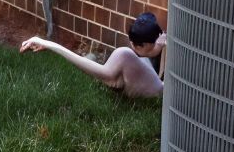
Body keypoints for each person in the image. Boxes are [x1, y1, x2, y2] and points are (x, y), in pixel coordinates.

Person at [20, 12, 165, 98]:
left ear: (145, 44)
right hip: (160, 89)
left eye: (135, 43)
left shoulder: (125, 54)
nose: (131, 43)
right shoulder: (159, 43)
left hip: (160, 94)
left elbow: (100, 73)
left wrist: (49, 45)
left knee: (125, 54)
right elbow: (151, 50)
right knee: (140, 57)